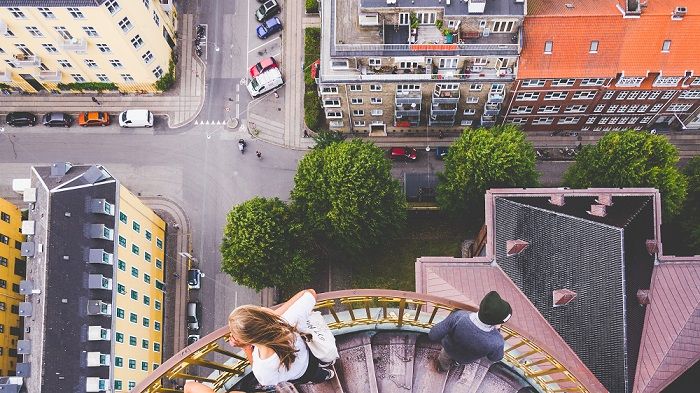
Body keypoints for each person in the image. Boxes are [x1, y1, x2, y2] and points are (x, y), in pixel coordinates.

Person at [184, 289, 334, 393]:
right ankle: (327, 368)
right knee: (321, 362)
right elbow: (310, 293)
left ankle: (327, 375)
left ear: (250, 339)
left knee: (317, 376)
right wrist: (274, 314)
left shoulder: (263, 370)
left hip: (302, 374)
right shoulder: (286, 320)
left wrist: (246, 349)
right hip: (311, 355)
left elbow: (267, 380)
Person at [429, 291, 512, 372]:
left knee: (444, 359)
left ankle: (443, 368)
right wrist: (497, 330)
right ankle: (456, 363)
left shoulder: (459, 317)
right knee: (459, 361)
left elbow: (433, 334)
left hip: (449, 349)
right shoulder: (497, 341)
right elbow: (495, 358)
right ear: (497, 322)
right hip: (466, 359)